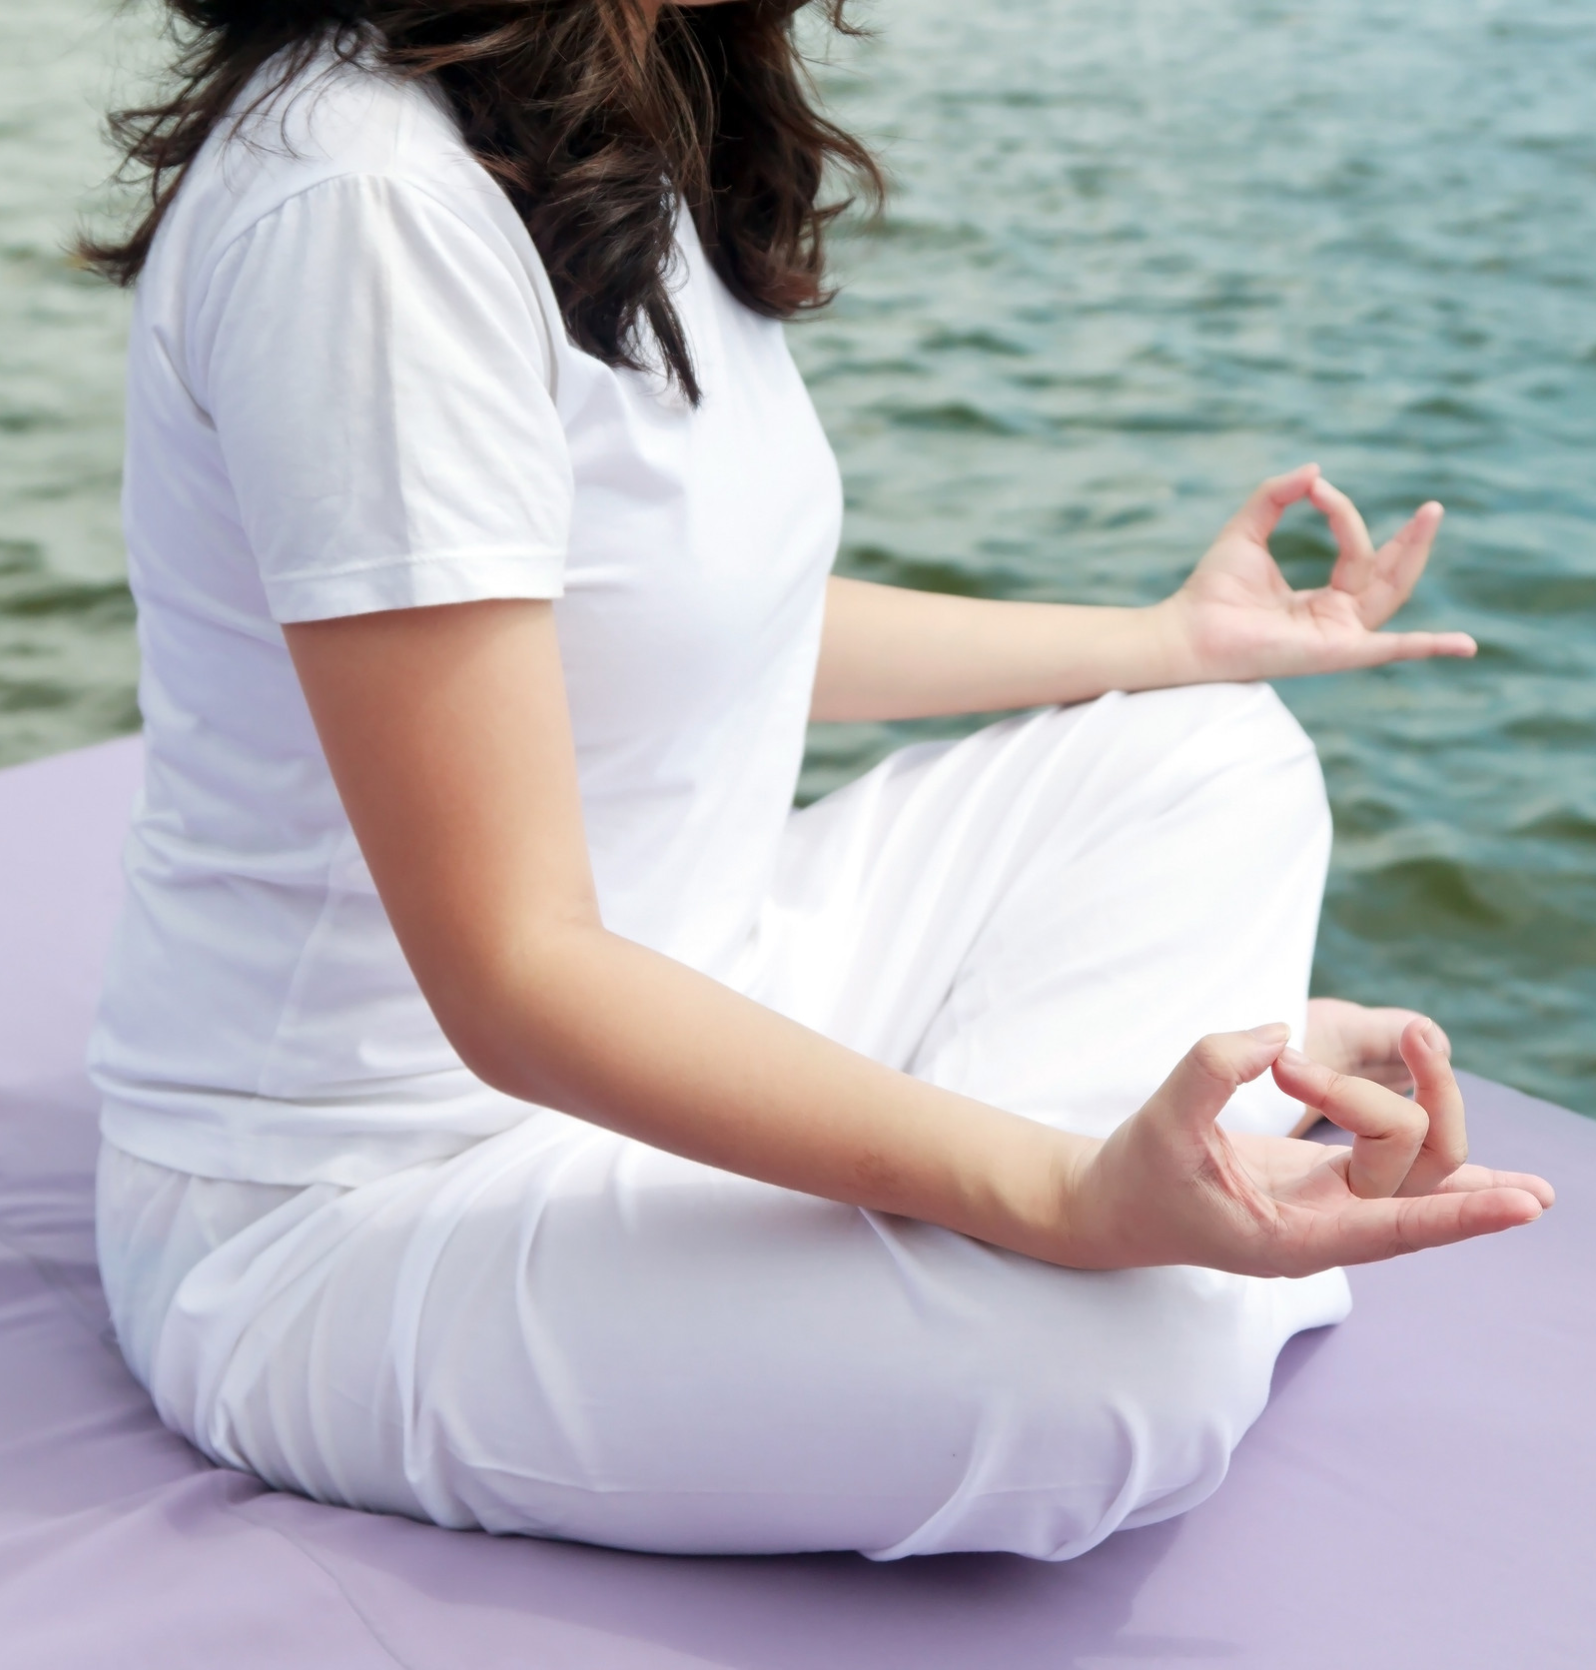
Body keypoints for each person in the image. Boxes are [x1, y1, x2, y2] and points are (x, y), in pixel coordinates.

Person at [82, 0, 1552, 1561]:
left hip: (707, 982)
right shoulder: (366, 205)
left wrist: (1172, 635)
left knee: (1209, 742)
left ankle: (1136, 1161)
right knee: (1116, 1380)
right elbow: (510, 973)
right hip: (362, 1197)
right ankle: (1137, 1172)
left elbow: (703, 628)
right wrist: (1061, 1197)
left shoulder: (611, 127)